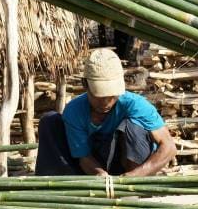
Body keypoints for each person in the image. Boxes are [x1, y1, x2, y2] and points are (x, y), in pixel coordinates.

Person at [35, 48, 177, 176]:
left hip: (130, 169)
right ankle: (62, 187)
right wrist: (100, 174)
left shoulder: (135, 104)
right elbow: (83, 157)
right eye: (100, 96)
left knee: (133, 126)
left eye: (112, 96)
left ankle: (133, 189)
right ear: (85, 84)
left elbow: (169, 147)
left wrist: (135, 175)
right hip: (92, 168)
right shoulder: (74, 111)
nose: (106, 103)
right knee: (50, 121)